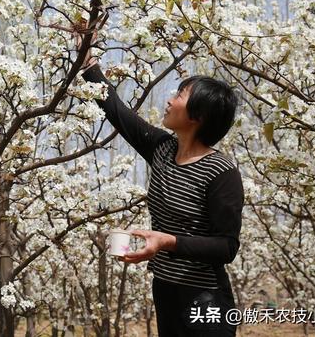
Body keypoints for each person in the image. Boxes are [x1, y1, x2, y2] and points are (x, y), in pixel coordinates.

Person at [79, 42, 244, 336]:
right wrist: (87, 61)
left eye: (179, 95)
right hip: (165, 290)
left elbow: (226, 246)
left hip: (205, 298)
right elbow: (116, 110)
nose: (169, 101)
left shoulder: (222, 172)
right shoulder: (162, 150)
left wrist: (167, 242)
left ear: (198, 115)